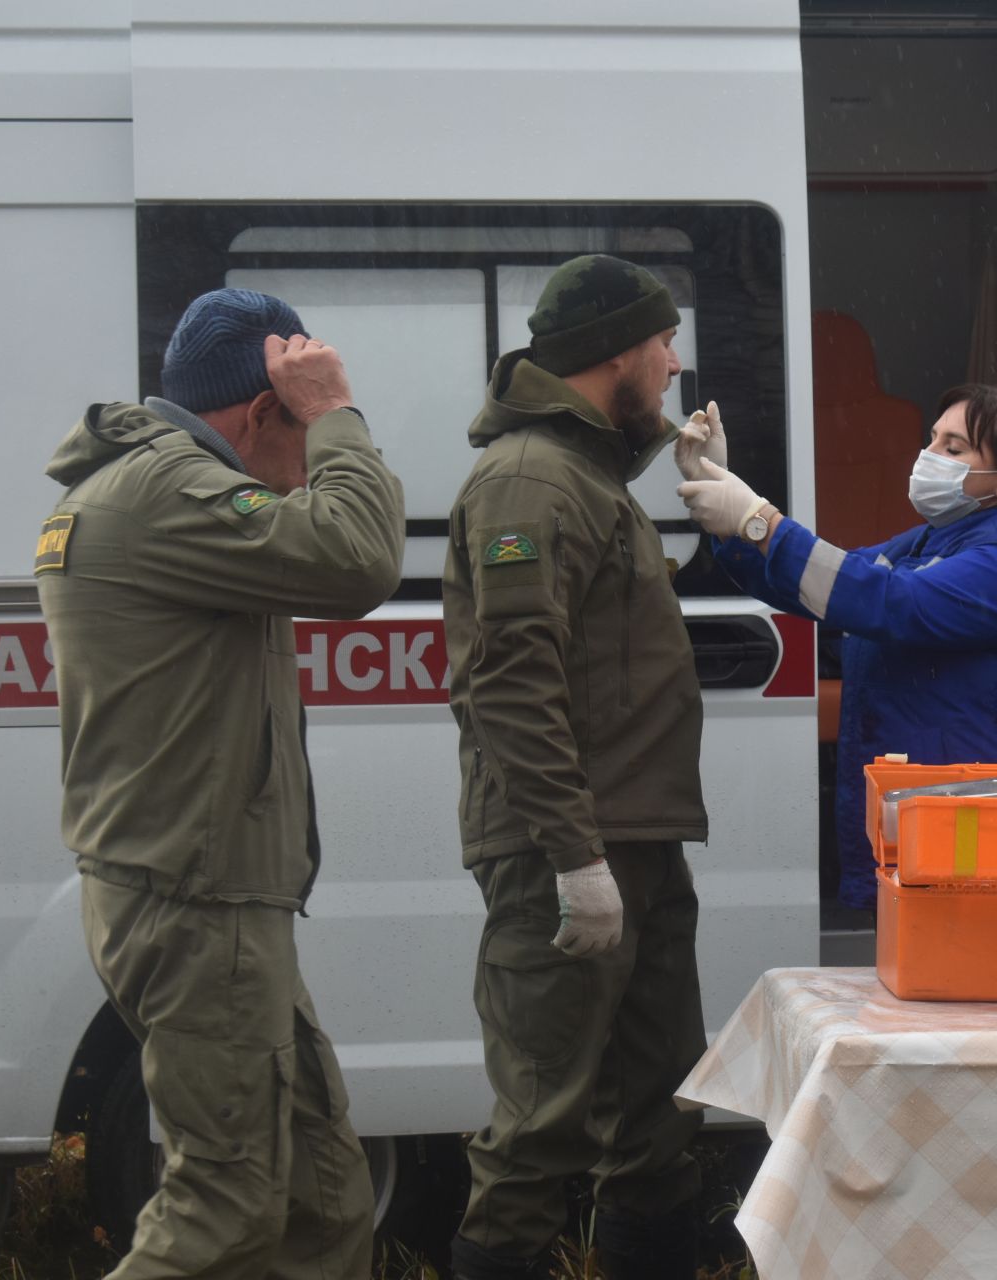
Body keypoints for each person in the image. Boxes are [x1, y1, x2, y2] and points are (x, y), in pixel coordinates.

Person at [36, 288, 406, 1277]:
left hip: (207, 896)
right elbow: (360, 559)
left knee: (322, 1201)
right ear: (261, 412)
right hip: (199, 904)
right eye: (298, 433)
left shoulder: (141, 487)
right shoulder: (173, 490)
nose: (303, 474)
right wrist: (338, 414)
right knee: (226, 1203)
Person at [442, 254, 708, 1280]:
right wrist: (572, 853)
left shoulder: (580, 473)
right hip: (573, 850)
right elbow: (511, 679)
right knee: (540, 1130)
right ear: (614, 352)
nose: (676, 364)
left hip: (629, 840)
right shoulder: (527, 475)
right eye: (663, 343)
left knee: (655, 1123)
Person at [675, 383, 997, 915]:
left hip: (974, 827)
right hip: (931, 822)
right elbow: (826, 588)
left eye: (954, 449)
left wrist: (759, 520)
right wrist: (732, 515)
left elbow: (884, 601)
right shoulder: (933, 541)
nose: (929, 456)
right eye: (932, 440)